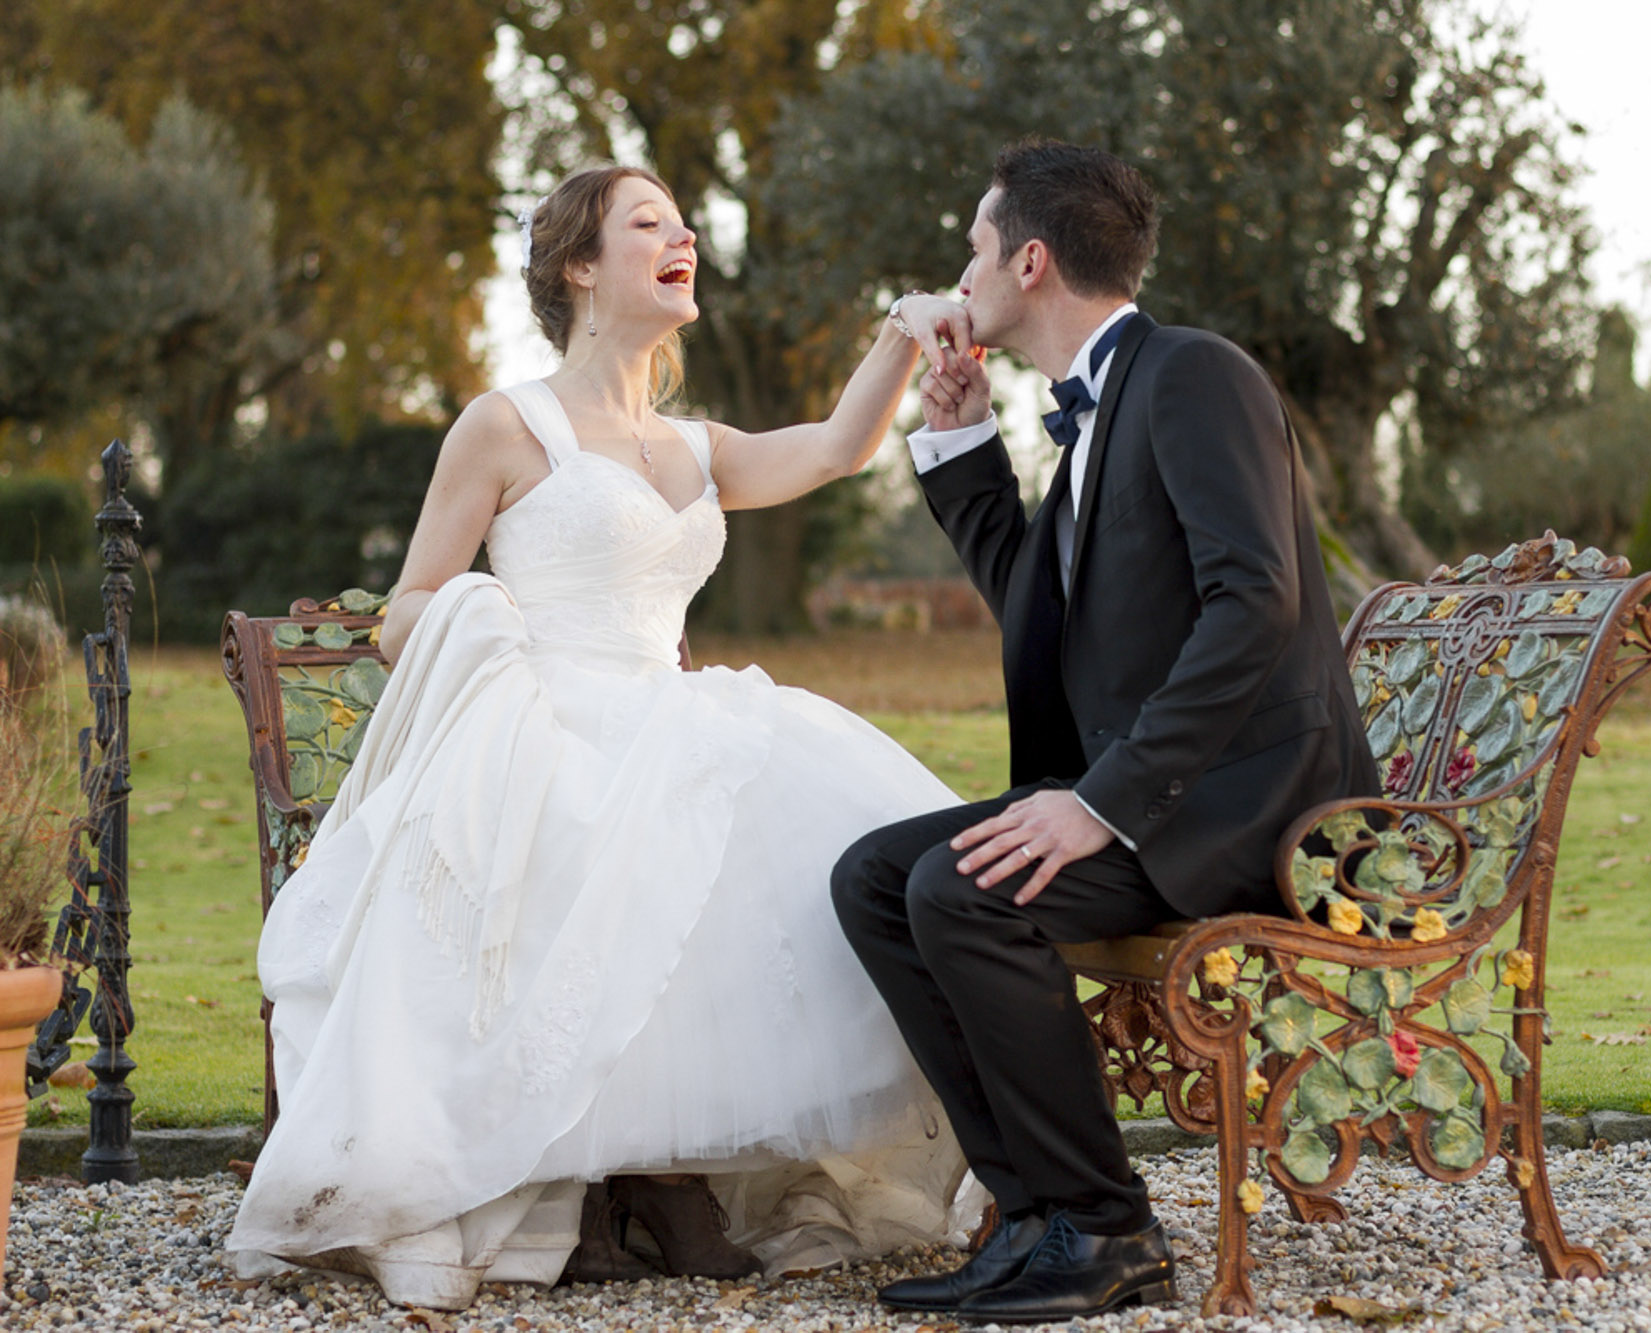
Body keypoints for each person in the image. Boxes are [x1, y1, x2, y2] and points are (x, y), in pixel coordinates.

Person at [225, 164, 986, 1311]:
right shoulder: (506, 423)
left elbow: (832, 448)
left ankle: (678, 1177)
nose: (681, 240)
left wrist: (901, 330)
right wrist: (493, 631)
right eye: (649, 226)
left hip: (671, 710)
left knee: (803, 835)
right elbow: (406, 611)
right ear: (581, 265)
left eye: (685, 226)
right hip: (546, 723)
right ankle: (577, 1187)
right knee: (600, 831)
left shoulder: (693, 443)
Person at [831, 139, 1381, 1324]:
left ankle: (1106, 1226)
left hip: (1253, 808)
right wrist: (966, 446)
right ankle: (1035, 1215)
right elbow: (1047, 618)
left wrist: (1097, 803)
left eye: (972, 250)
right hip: (1169, 794)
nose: (960, 276)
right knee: (877, 878)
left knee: (963, 890)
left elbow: (1257, 601)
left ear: (1028, 261)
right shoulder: (1091, 415)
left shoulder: (1192, 374)